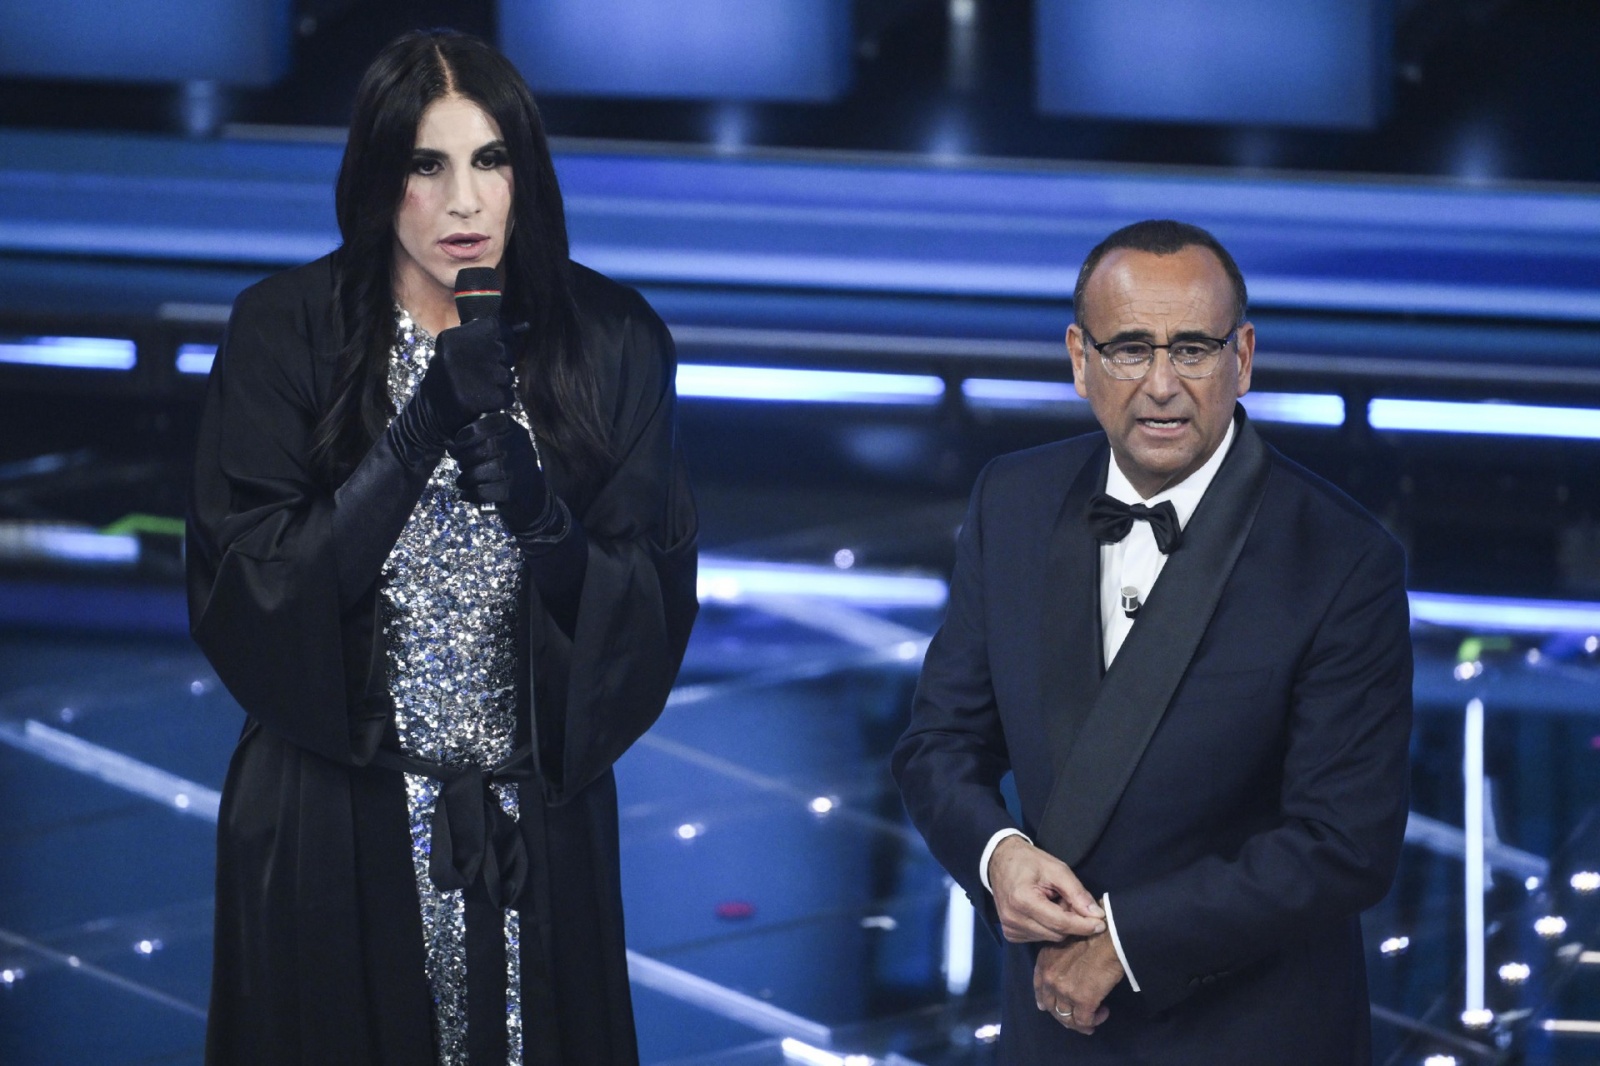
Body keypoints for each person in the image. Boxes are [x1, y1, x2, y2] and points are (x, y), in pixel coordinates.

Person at [186, 29, 698, 1066]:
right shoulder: (283, 329)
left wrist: (546, 525)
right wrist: (419, 429)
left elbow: (649, 599)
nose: (464, 202)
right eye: (427, 165)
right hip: (335, 821)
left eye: (489, 160)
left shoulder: (612, 340)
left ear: (525, 172)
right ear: (379, 177)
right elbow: (251, 588)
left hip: (532, 826)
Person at [892, 219, 1412, 1063]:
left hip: (1253, 1038)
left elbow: (1343, 844)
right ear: (1080, 359)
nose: (1162, 385)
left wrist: (1128, 941)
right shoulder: (1011, 502)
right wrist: (998, 856)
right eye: (1130, 349)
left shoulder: (1344, 560)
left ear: (1243, 357)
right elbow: (939, 743)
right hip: (1050, 1030)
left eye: (1194, 350)